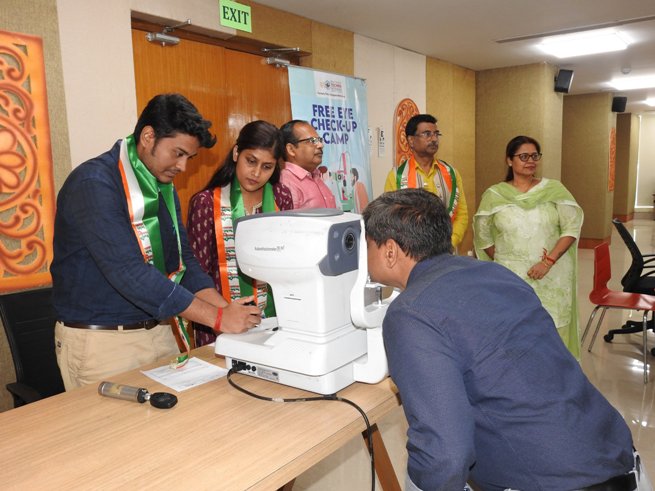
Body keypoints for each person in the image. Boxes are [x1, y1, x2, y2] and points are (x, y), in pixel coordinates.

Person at [363, 188, 649, 491]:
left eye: (368, 246)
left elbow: (444, 452)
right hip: (619, 460)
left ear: (390, 251)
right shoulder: (496, 275)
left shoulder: (410, 312)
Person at [52, 93, 261, 390]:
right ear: (148, 136)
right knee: (120, 437)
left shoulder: (160, 185)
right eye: (177, 153)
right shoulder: (94, 184)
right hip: (103, 342)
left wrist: (225, 310)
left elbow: (183, 260)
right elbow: (130, 273)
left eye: (189, 157)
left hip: (160, 332)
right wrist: (217, 318)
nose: (183, 167)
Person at [473, 135, 584, 358]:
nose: (530, 160)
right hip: (511, 279)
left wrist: (548, 261)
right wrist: (508, 260)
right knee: (515, 333)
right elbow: (483, 236)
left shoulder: (554, 190)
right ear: (509, 160)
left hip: (551, 277)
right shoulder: (494, 195)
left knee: (552, 333)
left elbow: (571, 228)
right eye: (523, 156)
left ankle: (557, 384)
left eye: (535, 156)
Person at [187, 120, 293, 346]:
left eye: (267, 167)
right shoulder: (207, 203)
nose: (256, 173)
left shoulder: (281, 198)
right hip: (219, 323)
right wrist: (223, 314)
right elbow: (196, 273)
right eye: (251, 161)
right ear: (236, 153)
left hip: (275, 321)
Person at [384, 113, 468, 248]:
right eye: (427, 134)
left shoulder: (451, 173)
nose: (434, 139)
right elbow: (390, 218)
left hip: (447, 251)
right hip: (413, 252)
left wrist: (451, 242)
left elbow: (461, 213)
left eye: (436, 134)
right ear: (411, 140)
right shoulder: (397, 176)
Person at [279, 119, 337, 209]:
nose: (321, 145)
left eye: (319, 140)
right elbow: (289, 222)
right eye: (312, 140)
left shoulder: (315, 176)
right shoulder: (286, 182)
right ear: (291, 149)